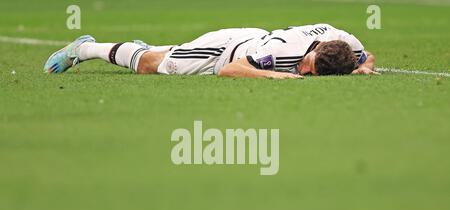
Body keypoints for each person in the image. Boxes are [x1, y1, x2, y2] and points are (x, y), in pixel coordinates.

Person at [44, 24, 378, 79]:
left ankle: (154, 50)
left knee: (159, 58)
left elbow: (368, 58)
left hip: (251, 41)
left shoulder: (347, 44)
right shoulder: (281, 53)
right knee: (149, 66)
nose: (304, 71)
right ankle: (85, 48)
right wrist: (278, 76)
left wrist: (363, 68)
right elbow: (230, 70)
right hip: (227, 49)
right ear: (315, 49)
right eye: (307, 65)